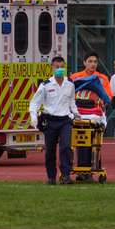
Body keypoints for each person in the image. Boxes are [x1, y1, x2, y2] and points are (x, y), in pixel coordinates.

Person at [29, 56, 79, 185]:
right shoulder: (45, 85)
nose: (59, 69)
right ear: (52, 68)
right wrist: (33, 117)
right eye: (57, 67)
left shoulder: (70, 84)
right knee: (50, 151)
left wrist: (76, 114)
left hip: (65, 120)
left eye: (62, 67)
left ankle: (66, 175)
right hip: (50, 121)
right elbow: (34, 102)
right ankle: (51, 177)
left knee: (66, 147)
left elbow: (72, 101)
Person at [70, 52, 113, 180]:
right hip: (79, 114)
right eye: (90, 61)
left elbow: (108, 96)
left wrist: (102, 102)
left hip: (95, 114)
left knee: (94, 142)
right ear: (84, 62)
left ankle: (91, 169)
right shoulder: (75, 77)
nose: (93, 64)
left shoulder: (102, 78)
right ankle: (83, 171)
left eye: (95, 62)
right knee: (81, 141)